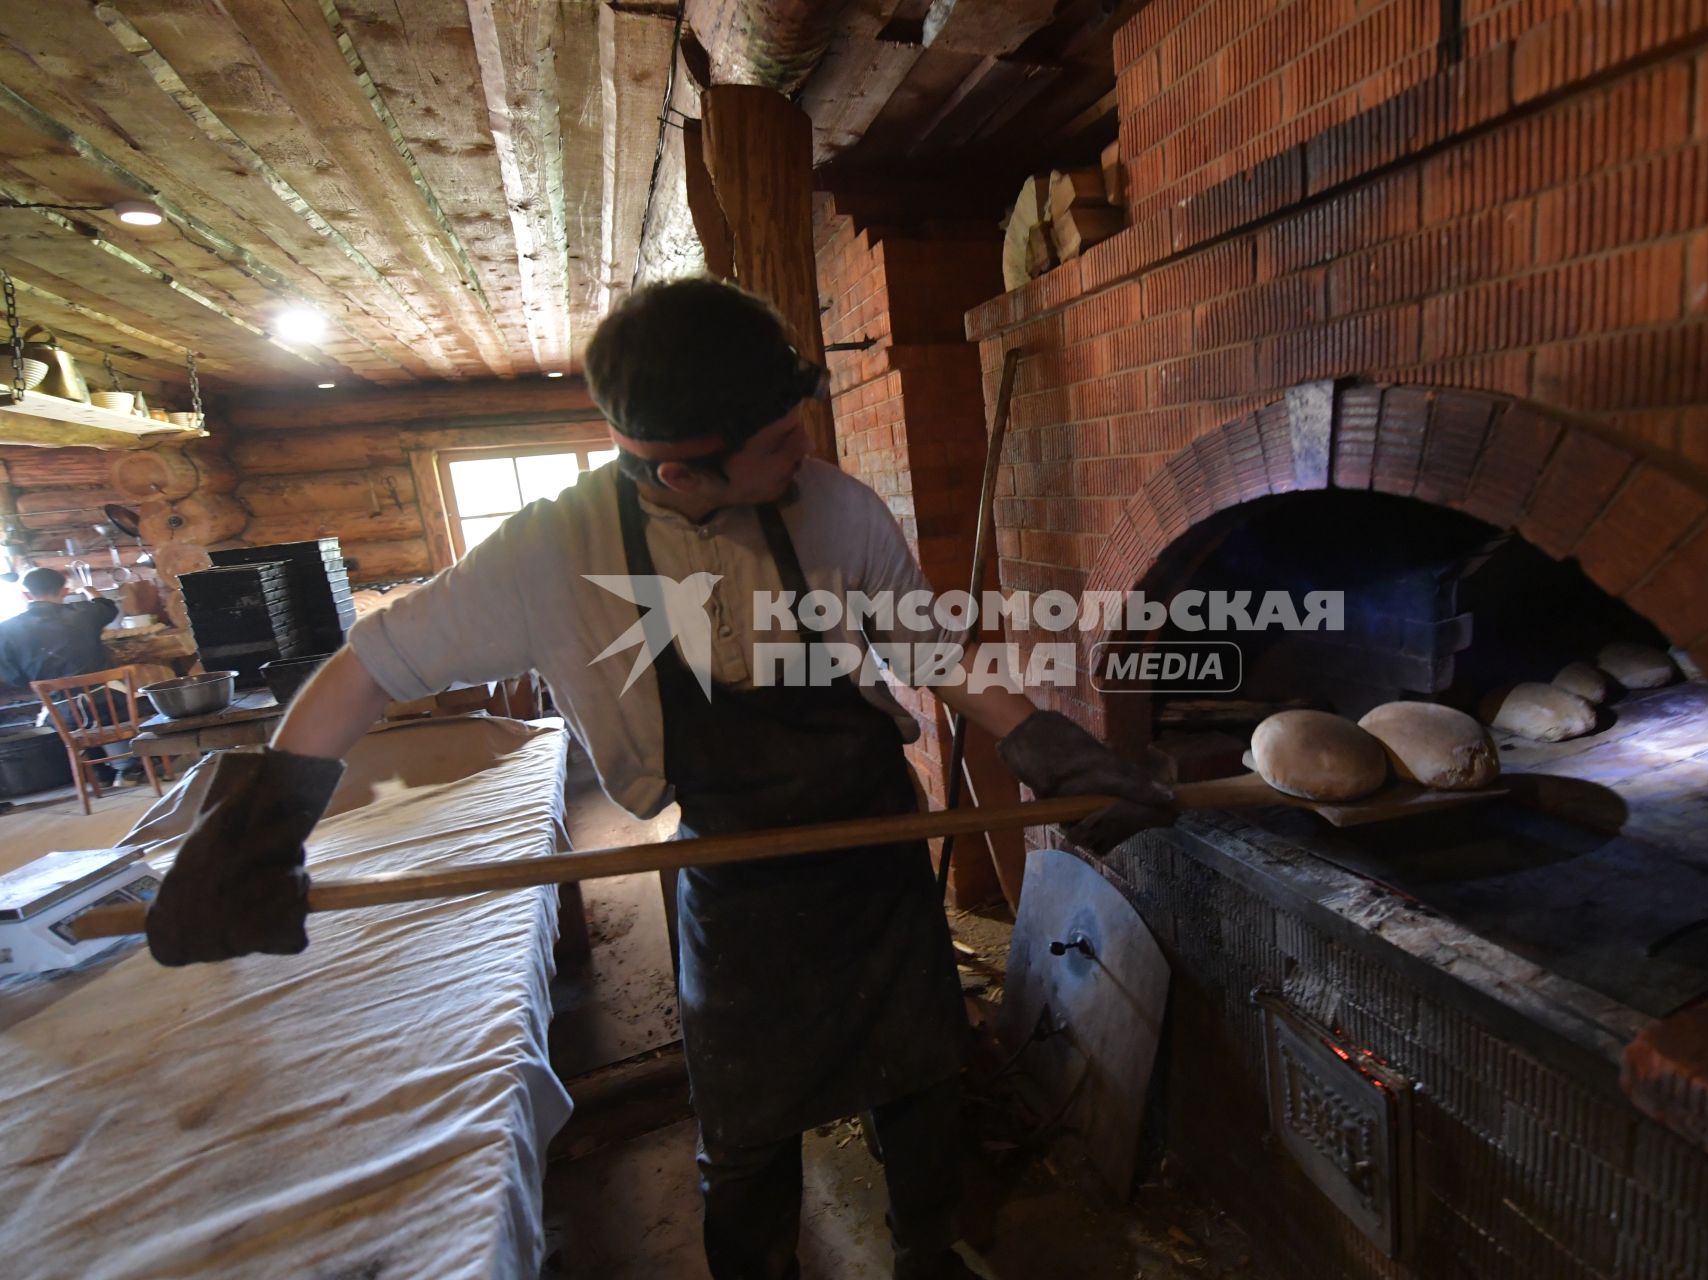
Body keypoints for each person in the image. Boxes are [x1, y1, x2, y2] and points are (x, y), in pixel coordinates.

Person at [141, 277, 1176, 1280]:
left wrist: (1038, 734)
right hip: (737, 871)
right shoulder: (552, 550)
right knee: (748, 1120)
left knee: (922, 1077)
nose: (804, 451)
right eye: (776, 444)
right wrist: (268, 824)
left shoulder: (835, 506)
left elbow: (925, 644)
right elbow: (366, 666)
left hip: (872, 846)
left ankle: (926, 1249)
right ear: (682, 471)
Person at [0, 565, 134, 786]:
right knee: (141, 703)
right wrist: (90, 590)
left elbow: (14, 678)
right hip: (107, 704)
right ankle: (130, 767)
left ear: (25, 595)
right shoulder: (85, 613)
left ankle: (99, 772)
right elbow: (107, 606)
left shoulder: (5, 630)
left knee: (64, 719)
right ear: (64, 591)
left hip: (62, 714)